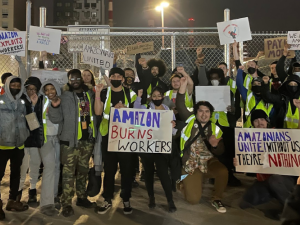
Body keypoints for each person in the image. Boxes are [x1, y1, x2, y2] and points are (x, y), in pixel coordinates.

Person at [49, 69, 97, 217]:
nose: (75, 81)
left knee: (83, 170)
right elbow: (56, 119)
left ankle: (81, 197)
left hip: (86, 140)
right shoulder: (64, 96)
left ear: (82, 79)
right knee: (68, 173)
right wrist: (55, 106)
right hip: (69, 141)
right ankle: (66, 203)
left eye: (77, 78)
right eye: (72, 79)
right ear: (69, 80)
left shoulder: (90, 94)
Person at [176, 77, 228, 213]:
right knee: (192, 200)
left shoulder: (215, 129)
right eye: (201, 111)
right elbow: (180, 105)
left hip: (208, 161)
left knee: (222, 171)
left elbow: (220, 152)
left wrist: (215, 145)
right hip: (191, 163)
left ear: (210, 114)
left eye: (207, 111)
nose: (204, 114)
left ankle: (216, 199)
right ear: (196, 112)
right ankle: (182, 181)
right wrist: (182, 86)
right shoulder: (190, 121)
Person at [234, 109, 297, 220]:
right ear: (252, 124)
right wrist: (240, 163)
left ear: (267, 121)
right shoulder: (249, 140)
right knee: (246, 201)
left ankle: (293, 211)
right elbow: (249, 164)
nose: (260, 123)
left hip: (283, 178)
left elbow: (297, 137)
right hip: (264, 180)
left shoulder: (278, 133)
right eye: (256, 121)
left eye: (262, 119)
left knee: (275, 180)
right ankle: (276, 195)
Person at [95, 67, 137, 215]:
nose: (116, 78)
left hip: (125, 136)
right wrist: (98, 94)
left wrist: (125, 109)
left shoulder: (130, 93)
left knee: (126, 170)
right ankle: (107, 199)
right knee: (109, 170)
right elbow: (99, 112)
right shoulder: (105, 93)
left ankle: (126, 199)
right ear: (110, 77)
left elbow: (138, 113)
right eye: (113, 75)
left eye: (119, 76)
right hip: (109, 136)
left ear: (123, 79)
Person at [134, 87, 177, 212]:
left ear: (163, 96)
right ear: (151, 97)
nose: (157, 98)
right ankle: (151, 197)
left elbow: (173, 132)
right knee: (148, 173)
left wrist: (173, 126)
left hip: (161, 147)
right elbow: (135, 111)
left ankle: (170, 200)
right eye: (154, 96)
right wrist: (138, 96)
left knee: (163, 174)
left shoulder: (168, 110)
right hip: (147, 146)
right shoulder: (146, 108)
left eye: (159, 95)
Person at [29, 81, 61, 216]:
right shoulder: (40, 100)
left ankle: (53, 196)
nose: (49, 92)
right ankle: (46, 204)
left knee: (56, 167)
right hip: (45, 140)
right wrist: (34, 106)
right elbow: (30, 118)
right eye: (46, 89)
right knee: (49, 167)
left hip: (58, 139)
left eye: (52, 88)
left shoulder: (62, 101)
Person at [0, 76, 30, 220]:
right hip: (2, 145)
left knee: (16, 174)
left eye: (18, 85)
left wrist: (29, 133)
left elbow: (29, 118)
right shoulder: (1, 100)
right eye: (13, 84)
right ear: (7, 85)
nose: (16, 87)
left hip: (19, 145)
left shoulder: (22, 101)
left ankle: (12, 200)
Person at [18, 77, 44, 205]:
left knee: (34, 166)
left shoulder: (41, 101)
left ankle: (32, 191)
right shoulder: (21, 100)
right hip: (23, 140)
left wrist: (34, 106)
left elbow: (35, 125)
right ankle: (17, 193)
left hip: (35, 140)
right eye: (29, 89)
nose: (31, 92)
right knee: (22, 167)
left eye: (34, 89)